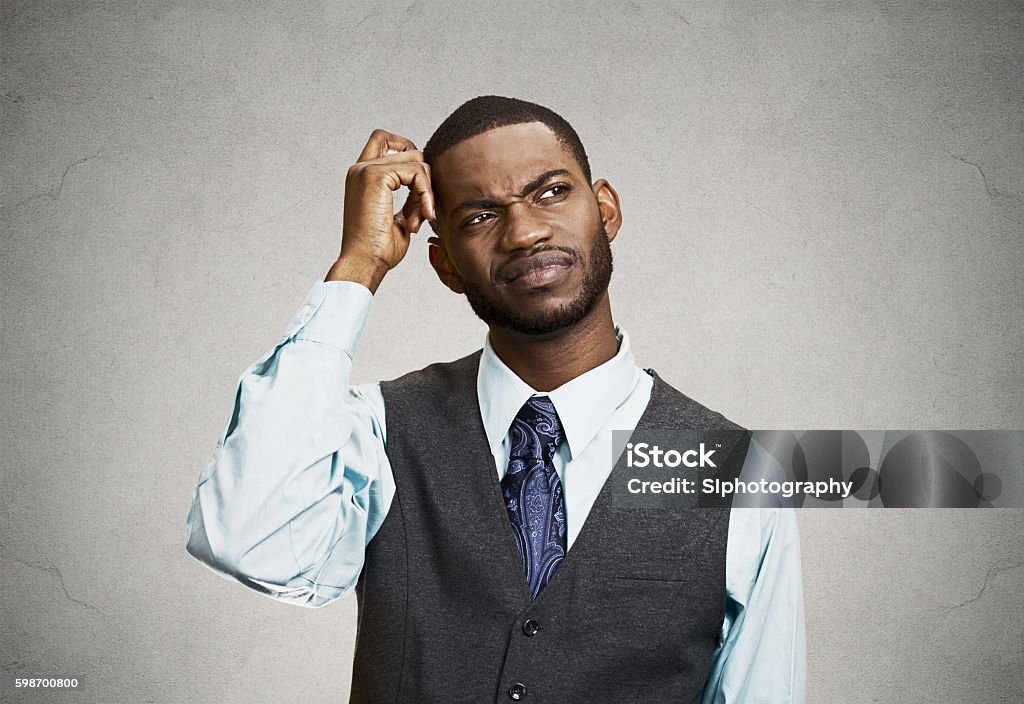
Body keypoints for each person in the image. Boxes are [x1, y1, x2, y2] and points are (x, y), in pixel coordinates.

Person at [186, 96, 806, 703]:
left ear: (607, 211)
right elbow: (248, 543)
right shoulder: (377, 429)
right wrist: (359, 265)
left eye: (552, 192)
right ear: (445, 265)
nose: (526, 231)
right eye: (479, 216)